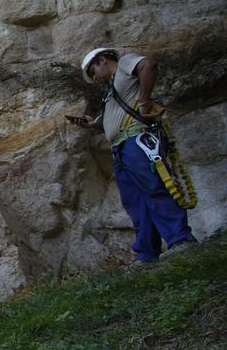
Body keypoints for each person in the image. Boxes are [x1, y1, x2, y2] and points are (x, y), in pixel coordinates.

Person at [67, 48, 196, 263]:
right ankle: (146, 253)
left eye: (93, 71)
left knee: (154, 188)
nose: (95, 78)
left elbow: (149, 65)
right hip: (121, 147)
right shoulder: (112, 92)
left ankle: (180, 238)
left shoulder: (125, 64)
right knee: (136, 202)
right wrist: (93, 124)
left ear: (103, 60)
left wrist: (144, 101)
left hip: (137, 141)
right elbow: (115, 122)